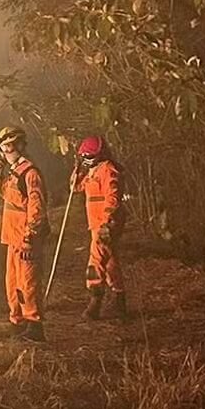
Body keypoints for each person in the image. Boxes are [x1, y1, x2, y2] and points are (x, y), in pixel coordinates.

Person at [0, 126, 50, 342]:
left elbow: (36, 209)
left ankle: (34, 327)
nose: (4, 152)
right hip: (12, 237)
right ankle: (17, 322)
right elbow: (8, 195)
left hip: (26, 239)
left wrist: (30, 237)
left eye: (7, 147)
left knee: (28, 283)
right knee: (13, 282)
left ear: (17, 146)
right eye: (2, 148)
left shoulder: (30, 173)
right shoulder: (14, 170)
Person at [71, 135, 127, 320]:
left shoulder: (108, 170)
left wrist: (107, 222)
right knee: (110, 263)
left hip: (106, 225)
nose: (87, 157)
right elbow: (76, 187)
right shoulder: (92, 171)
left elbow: (112, 198)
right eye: (84, 155)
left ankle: (94, 302)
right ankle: (120, 301)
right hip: (95, 224)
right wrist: (77, 170)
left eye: (90, 154)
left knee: (95, 262)